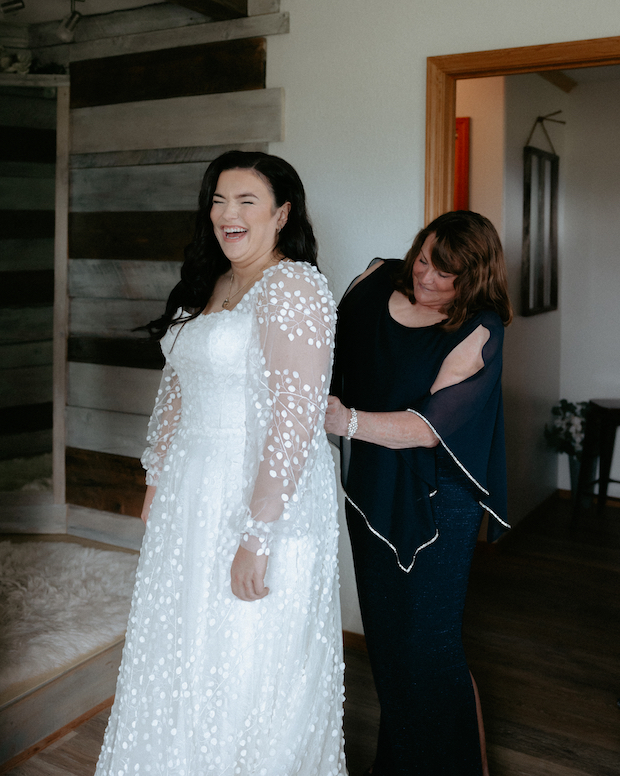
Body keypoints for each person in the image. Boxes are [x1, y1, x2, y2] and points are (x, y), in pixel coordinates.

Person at [95, 151, 345, 776]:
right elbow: (178, 383)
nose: (227, 215)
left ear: (282, 214)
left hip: (262, 495)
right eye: (217, 201)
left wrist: (258, 534)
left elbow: (295, 416)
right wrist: (156, 476)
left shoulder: (294, 286)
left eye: (246, 202)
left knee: (246, 653)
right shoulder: (212, 280)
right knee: (185, 645)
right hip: (192, 488)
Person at [326, 210, 513, 776]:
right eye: (424, 259)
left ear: (473, 281)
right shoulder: (374, 278)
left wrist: (343, 421)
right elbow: (329, 351)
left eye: (445, 274)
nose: (426, 278)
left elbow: (426, 428)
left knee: (428, 649)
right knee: (387, 646)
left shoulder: (478, 328)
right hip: (372, 488)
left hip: (439, 500)